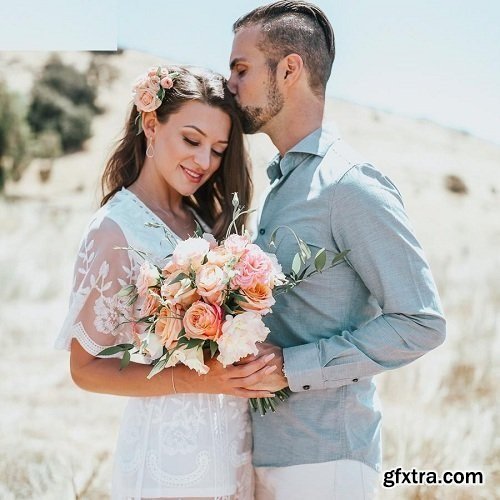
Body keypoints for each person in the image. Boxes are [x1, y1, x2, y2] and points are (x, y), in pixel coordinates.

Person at [227, 2, 447, 499]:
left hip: (325, 462)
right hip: (263, 453)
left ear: (289, 70)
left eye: (241, 69)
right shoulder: (283, 184)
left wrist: (293, 367)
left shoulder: (348, 184)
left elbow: (421, 322)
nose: (230, 84)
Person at [55, 65, 277, 499]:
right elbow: (86, 370)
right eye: (192, 141)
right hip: (168, 456)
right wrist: (197, 380)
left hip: (230, 443)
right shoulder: (115, 229)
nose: (204, 162)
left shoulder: (202, 223)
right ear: (152, 125)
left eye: (218, 149)